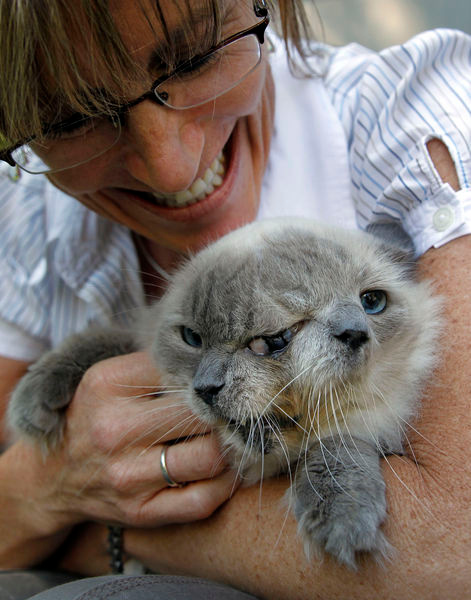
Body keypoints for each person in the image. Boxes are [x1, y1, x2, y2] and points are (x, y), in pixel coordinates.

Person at [0, 0, 470, 598]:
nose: (171, 169)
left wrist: (96, 527)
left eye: (196, 57)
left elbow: (448, 552)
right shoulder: (25, 210)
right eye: (70, 120)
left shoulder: (426, 116)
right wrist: (37, 488)